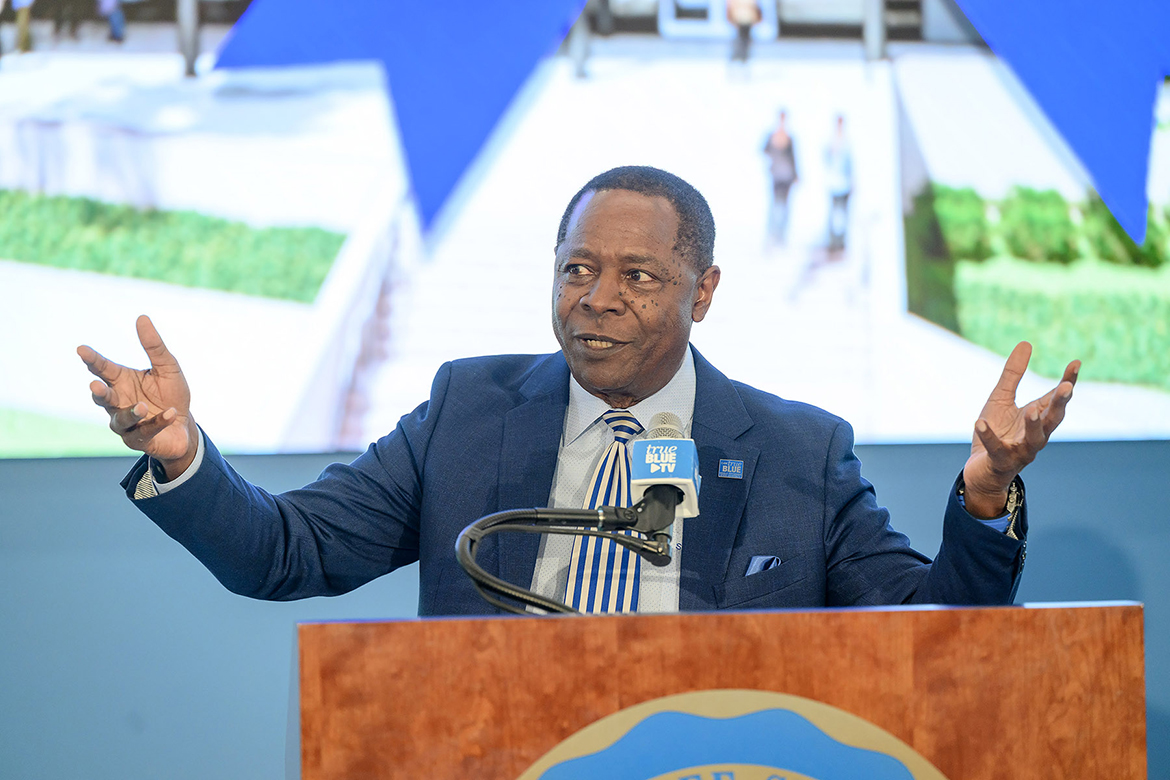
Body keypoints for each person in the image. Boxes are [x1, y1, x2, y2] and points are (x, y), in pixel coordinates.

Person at [78, 166, 1078, 616]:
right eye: (575, 269)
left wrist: (986, 491)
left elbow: (934, 624)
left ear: (706, 291)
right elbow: (283, 555)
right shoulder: (466, 413)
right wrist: (178, 453)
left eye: (637, 277)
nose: (596, 300)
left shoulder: (796, 450)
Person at [763, 110, 798, 247]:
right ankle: (771, 235)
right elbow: (764, 151)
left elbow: (794, 158)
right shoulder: (772, 136)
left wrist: (796, 175)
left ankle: (781, 236)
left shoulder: (789, 138)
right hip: (776, 176)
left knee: (785, 207)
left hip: (787, 177)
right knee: (774, 206)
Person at [824, 114, 853, 253]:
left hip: (845, 185)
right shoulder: (831, 141)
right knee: (833, 213)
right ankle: (832, 242)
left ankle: (841, 242)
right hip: (834, 184)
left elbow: (851, 165)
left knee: (843, 215)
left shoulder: (847, 141)